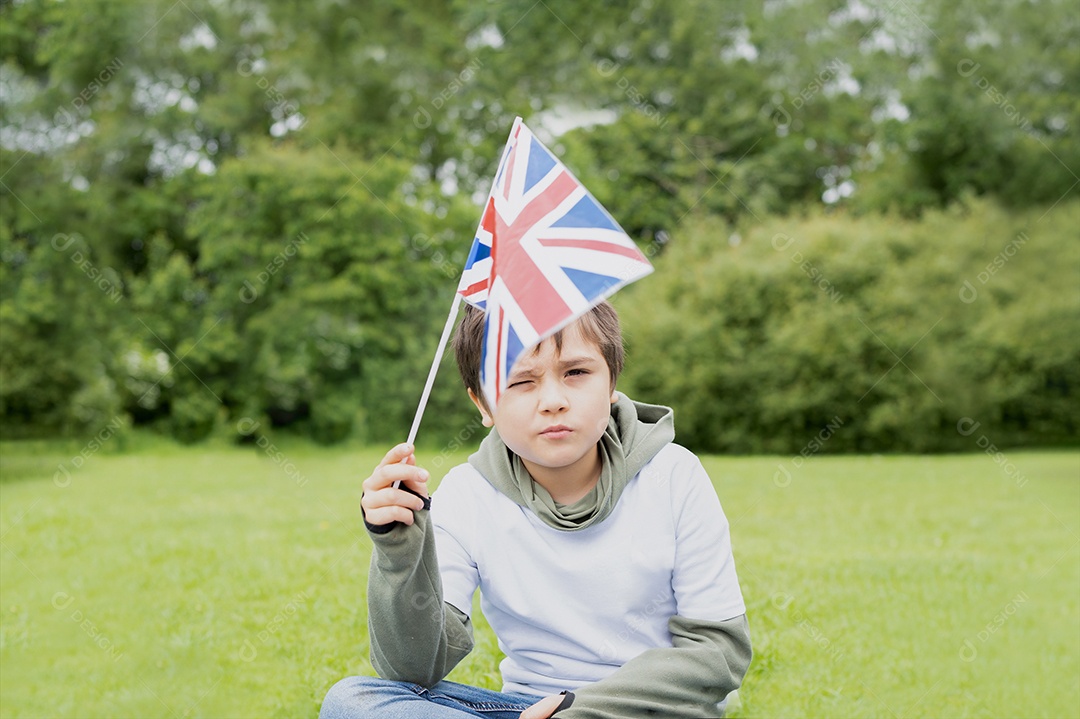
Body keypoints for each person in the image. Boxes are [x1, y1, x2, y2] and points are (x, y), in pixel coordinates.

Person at [320, 301, 752, 719]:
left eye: (577, 372)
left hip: (648, 712)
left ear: (612, 382)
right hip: (526, 710)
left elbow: (717, 654)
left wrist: (579, 712)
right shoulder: (467, 495)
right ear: (482, 405)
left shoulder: (674, 474)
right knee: (352, 702)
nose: (552, 400)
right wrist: (400, 553)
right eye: (520, 381)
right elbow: (415, 669)